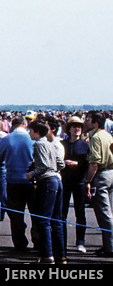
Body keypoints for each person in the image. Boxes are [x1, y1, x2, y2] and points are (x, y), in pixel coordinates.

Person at [26, 118, 65, 264]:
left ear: (36, 132)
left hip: (47, 182)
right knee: (57, 220)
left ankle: (47, 255)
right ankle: (61, 255)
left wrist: (32, 173)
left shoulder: (38, 145)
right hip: (57, 181)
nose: (29, 133)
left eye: (30, 130)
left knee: (43, 221)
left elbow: (43, 167)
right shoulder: (50, 144)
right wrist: (53, 169)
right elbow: (60, 164)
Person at [0, 115, 35, 253]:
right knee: (36, 213)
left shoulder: (6, 139)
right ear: (25, 125)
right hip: (31, 180)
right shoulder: (32, 139)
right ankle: (38, 240)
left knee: (16, 215)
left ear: (12, 125)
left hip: (12, 179)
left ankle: (19, 242)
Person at [83, 110, 113, 257]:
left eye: (88, 119)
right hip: (110, 173)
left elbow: (95, 162)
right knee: (109, 212)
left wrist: (88, 181)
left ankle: (110, 247)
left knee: (104, 214)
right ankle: (109, 244)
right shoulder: (107, 135)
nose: (85, 122)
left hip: (101, 175)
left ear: (95, 122)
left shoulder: (95, 137)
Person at [61, 115, 90, 253]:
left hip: (79, 180)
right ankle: (62, 242)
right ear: (69, 129)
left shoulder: (85, 145)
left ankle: (80, 242)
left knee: (80, 212)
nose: (77, 129)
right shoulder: (62, 144)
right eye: (74, 126)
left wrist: (78, 164)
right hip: (65, 180)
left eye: (79, 126)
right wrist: (65, 163)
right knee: (62, 212)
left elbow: (88, 163)